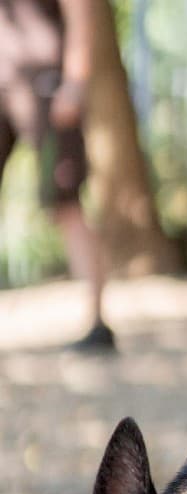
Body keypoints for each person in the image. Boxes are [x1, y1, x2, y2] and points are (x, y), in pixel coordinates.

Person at [0, 0, 115, 350]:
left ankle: (97, 325)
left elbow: (82, 11)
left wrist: (75, 82)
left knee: (66, 202)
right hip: (6, 76)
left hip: (47, 84)